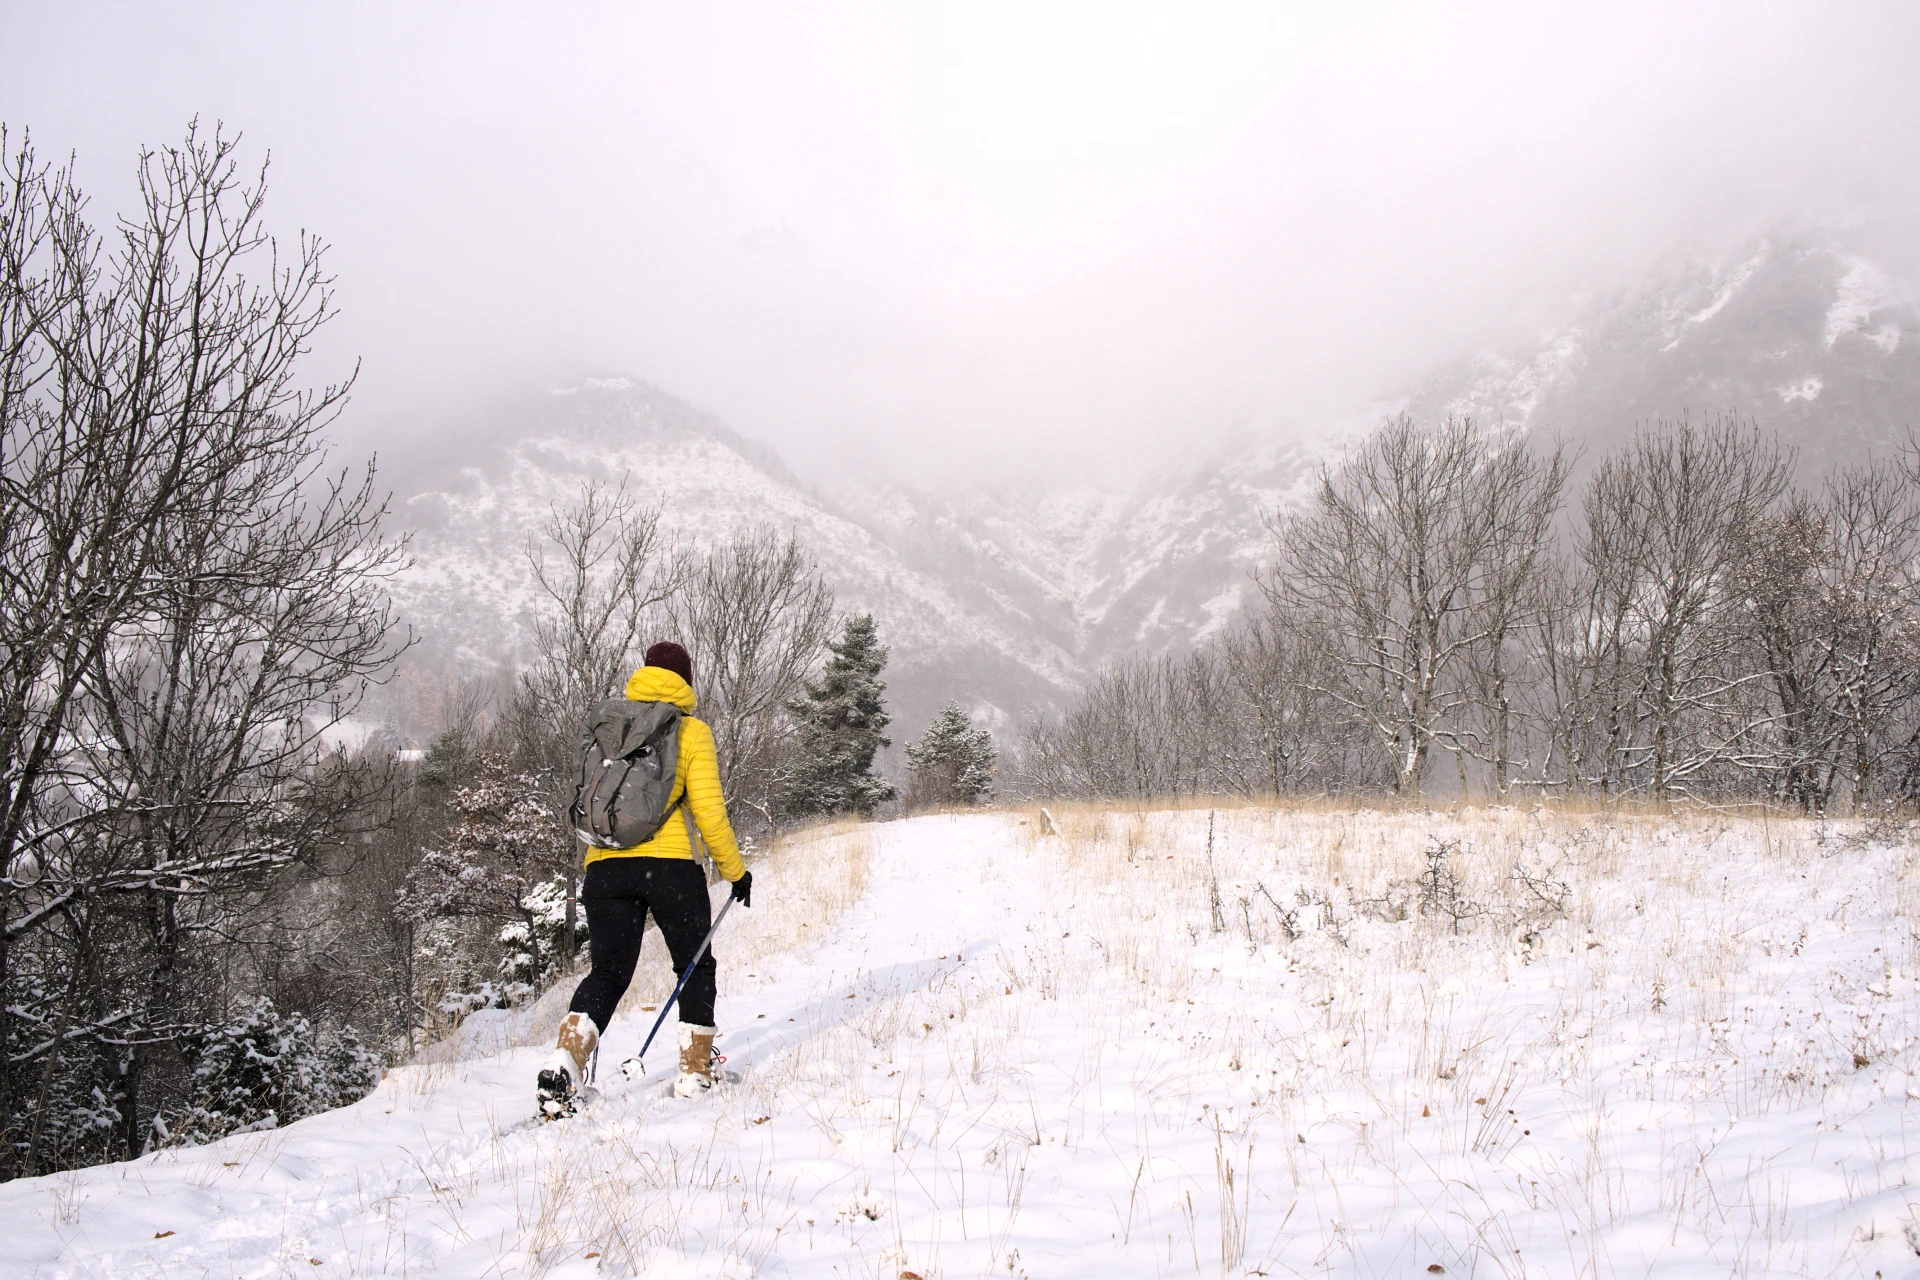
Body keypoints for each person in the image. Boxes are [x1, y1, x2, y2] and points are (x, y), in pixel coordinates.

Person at [538, 641, 753, 1112]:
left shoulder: (606, 728)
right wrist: (736, 873)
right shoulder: (691, 731)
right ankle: (695, 1073)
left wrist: (592, 866)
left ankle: (565, 1062)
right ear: (686, 680)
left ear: (644, 674)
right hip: (671, 868)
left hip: (604, 867)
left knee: (609, 972)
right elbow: (710, 816)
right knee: (694, 964)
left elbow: (586, 803)